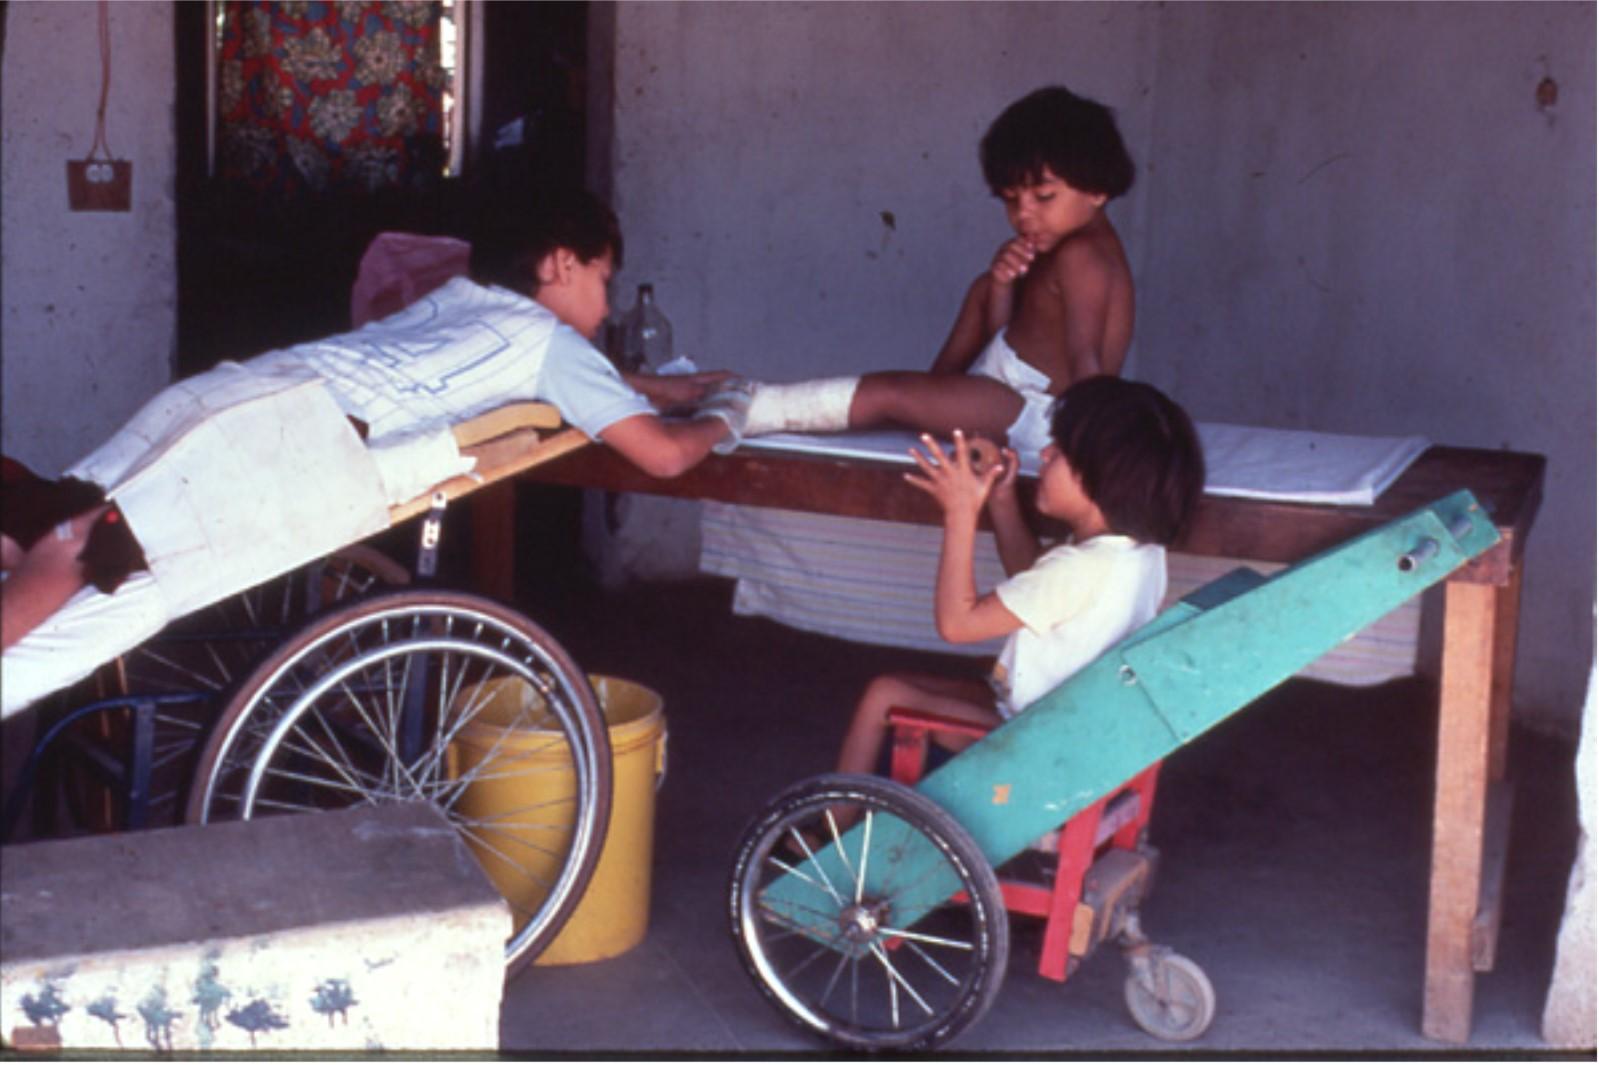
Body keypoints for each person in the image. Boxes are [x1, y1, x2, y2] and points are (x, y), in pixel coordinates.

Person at [0, 188, 737, 713]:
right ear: (560, 264)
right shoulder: (552, 345)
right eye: (604, 281)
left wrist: (655, 388)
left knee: (74, 515)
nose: (608, 308)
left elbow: (519, 377)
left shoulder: (458, 299)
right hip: (278, 452)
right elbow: (665, 457)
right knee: (101, 569)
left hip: (230, 402)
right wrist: (726, 416)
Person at [700, 85, 1137, 460]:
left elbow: (1087, 361)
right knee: (986, 286)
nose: (1023, 215)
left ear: (1097, 190)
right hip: (1005, 382)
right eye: (1010, 199)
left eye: (1044, 197)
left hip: (1035, 412)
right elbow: (1014, 333)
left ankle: (747, 407)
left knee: (890, 394)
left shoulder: (1085, 256)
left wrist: (1088, 451)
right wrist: (1003, 288)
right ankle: (933, 391)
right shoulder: (1064, 239)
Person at [832, 375, 1204, 788]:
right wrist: (1002, 498)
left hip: (1032, 744)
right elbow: (1034, 587)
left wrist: (960, 514)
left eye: (1060, 451)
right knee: (912, 686)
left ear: (1102, 478)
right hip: (1070, 734)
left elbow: (957, 624)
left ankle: (831, 833)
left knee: (884, 695)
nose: (1044, 454)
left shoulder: (1078, 567)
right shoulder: (1137, 555)